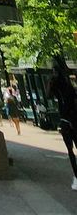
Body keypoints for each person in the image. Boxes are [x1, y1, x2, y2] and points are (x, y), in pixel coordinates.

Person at [48, 56, 77, 190]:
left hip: (67, 118)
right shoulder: (66, 87)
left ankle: (76, 176)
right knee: (71, 150)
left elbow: (49, 94)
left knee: (70, 150)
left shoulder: (62, 87)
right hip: (69, 118)